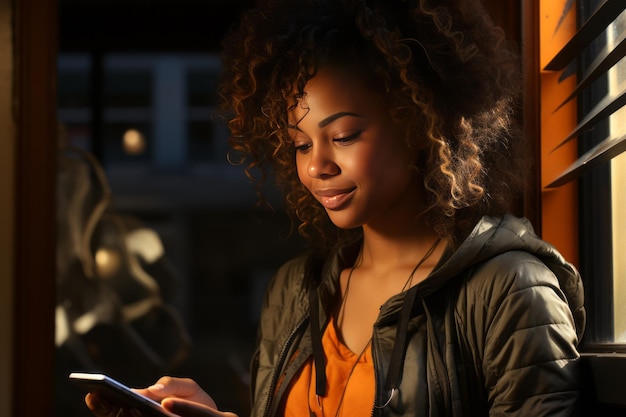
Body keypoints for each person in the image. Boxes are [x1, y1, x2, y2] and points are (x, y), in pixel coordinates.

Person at [85, 0, 586, 416]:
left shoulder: (511, 292)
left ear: (418, 124)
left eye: (343, 136)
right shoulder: (296, 290)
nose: (316, 166)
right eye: (301, 145)